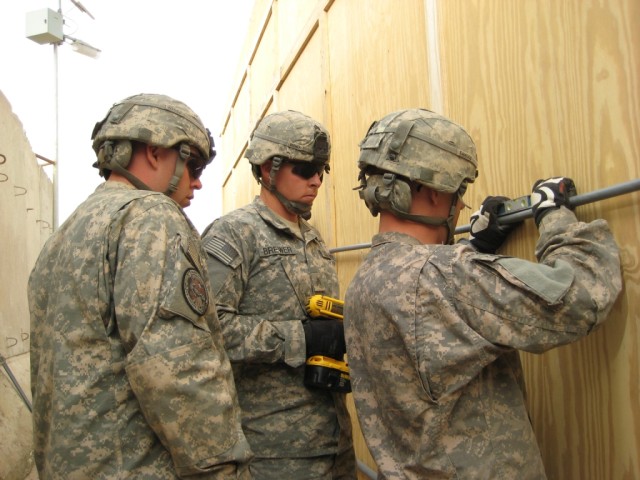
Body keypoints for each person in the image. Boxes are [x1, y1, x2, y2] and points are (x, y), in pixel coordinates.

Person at [343, 108, 622, 479]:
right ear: (425, 190)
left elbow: (438, 329)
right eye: (458, 191)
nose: (461, 206)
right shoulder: (445, 276)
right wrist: (554, 217)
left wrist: (479, 248)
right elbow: (582, 296)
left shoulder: (365, 279)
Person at [28, 93, 253, 479]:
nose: (198, 183)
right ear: (154, 151)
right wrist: (224, 469)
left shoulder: (65, 234)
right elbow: (177, 367)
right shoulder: (150, 215)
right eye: (193, 164)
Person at [201, 110, 357, 479]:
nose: (317, 180)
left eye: (322, 169)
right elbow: (208, 331)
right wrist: (301, 337)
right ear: (269, 168)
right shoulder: (234, 235)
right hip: (274, 454)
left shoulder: (313, 238)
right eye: (306, 169)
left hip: (335, 445)